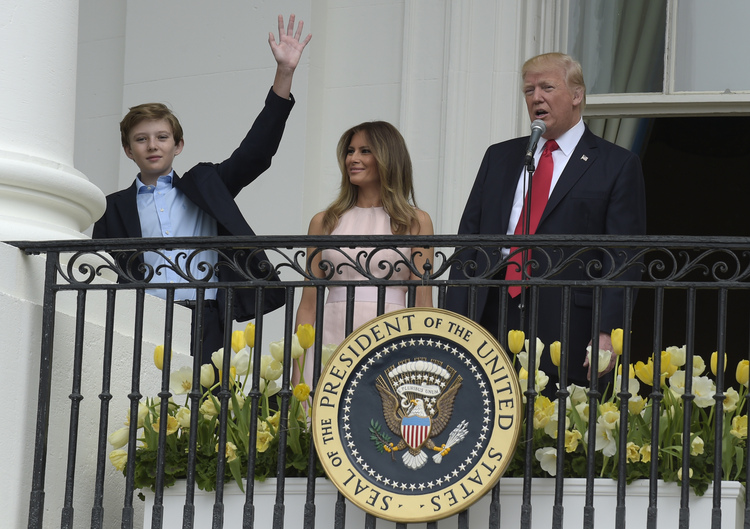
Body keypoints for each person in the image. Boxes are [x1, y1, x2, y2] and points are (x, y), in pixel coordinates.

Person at [92, 14, 312, 365]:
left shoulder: (206, 184)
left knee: (208, 411)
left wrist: (284, 74)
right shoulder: (111, 208)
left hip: (206, 315)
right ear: (128, 149)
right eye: (141, 139)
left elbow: (255, 152)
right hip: (142, 319)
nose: (152, 145)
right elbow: (100, 275)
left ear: (178, 145)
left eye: (162, 137)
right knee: (143, 409)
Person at [446, 52, 646, 388]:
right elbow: (470, 241)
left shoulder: (616, 164)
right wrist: (454, 321)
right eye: (529, 90)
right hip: (493, 313)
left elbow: (624, 256)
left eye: (547, 87)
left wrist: (608, 332)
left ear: (577, 95)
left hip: (567, 322)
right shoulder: (501, 157)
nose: (536, 97)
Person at [295, 121, 434, 381]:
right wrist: (299, 376)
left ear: (388, 158)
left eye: (364, 151)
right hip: (331, 335)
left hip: (392, 337)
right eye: (350, 151)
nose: (353, 159)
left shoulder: (416, 221)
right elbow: (307, 306)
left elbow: (422, 304)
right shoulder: (324, 222)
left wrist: (420, 367)